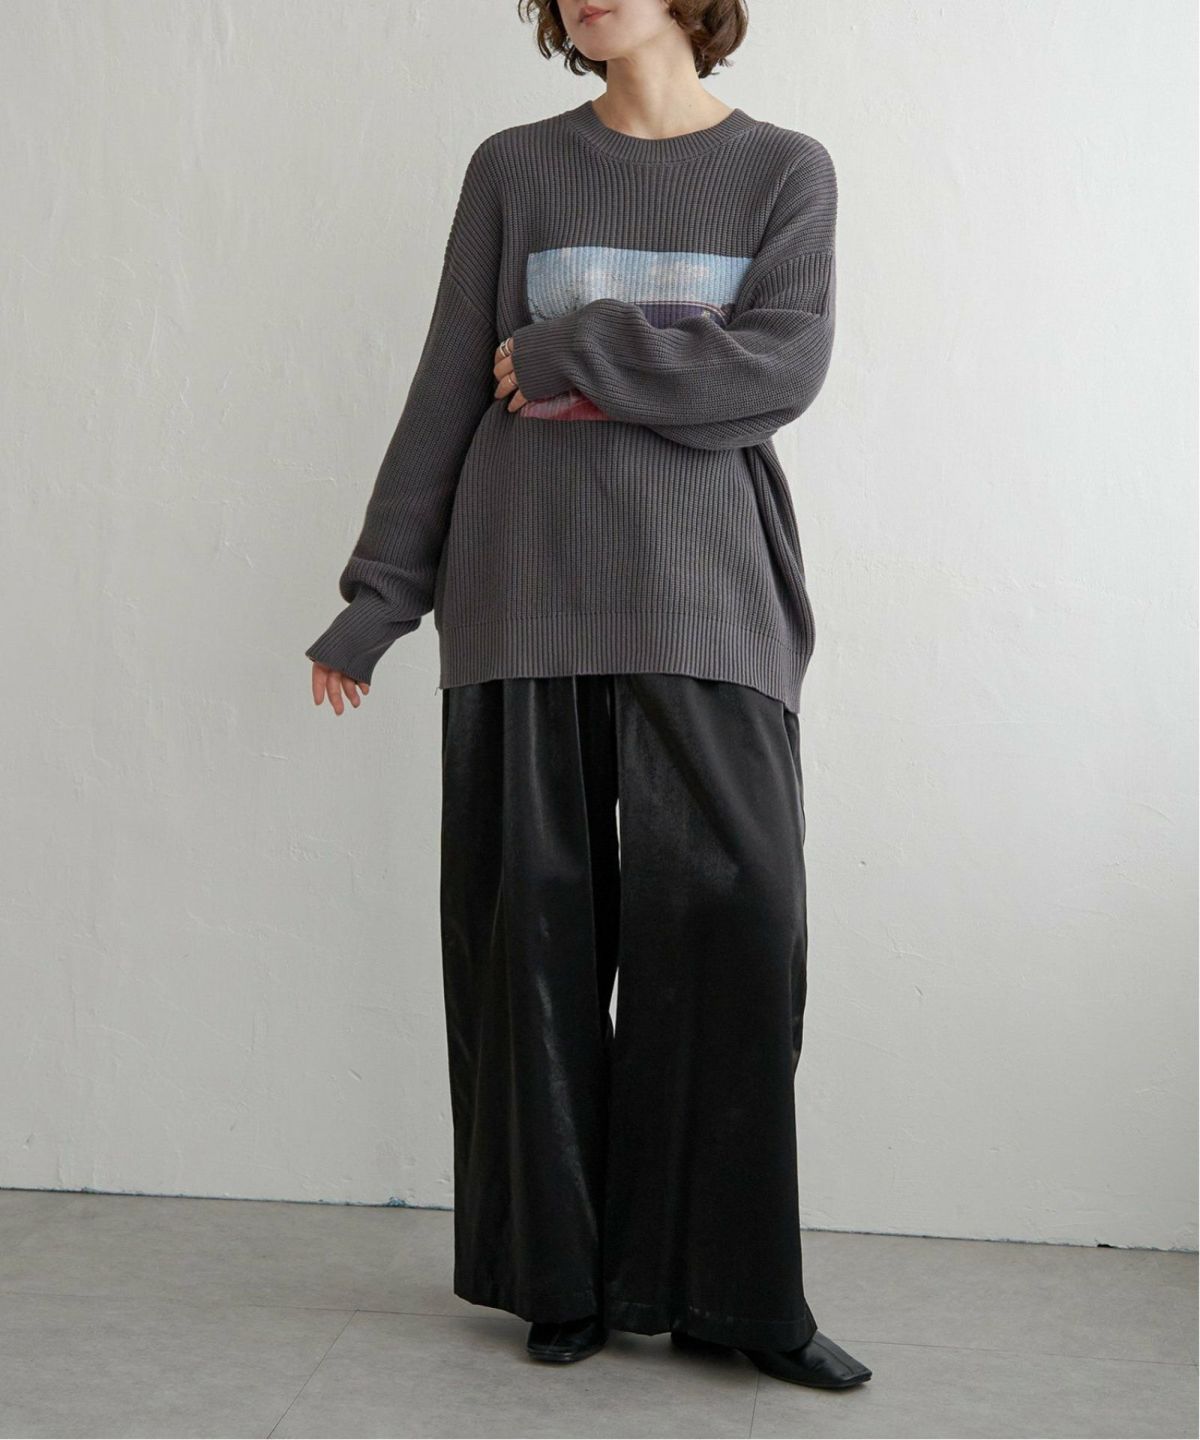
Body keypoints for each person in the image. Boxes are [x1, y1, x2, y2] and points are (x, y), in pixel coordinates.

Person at [305, 0, 871, 1392]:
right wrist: (380, 597)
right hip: (524, 593)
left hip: (708, 599)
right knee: (534, 945)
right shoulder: (515, 167)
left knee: (741, 922)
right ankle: (557, 1279)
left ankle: (734, 1295)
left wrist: (576, 349)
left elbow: (779, 367)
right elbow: (453, 378)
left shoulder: (785, 169)